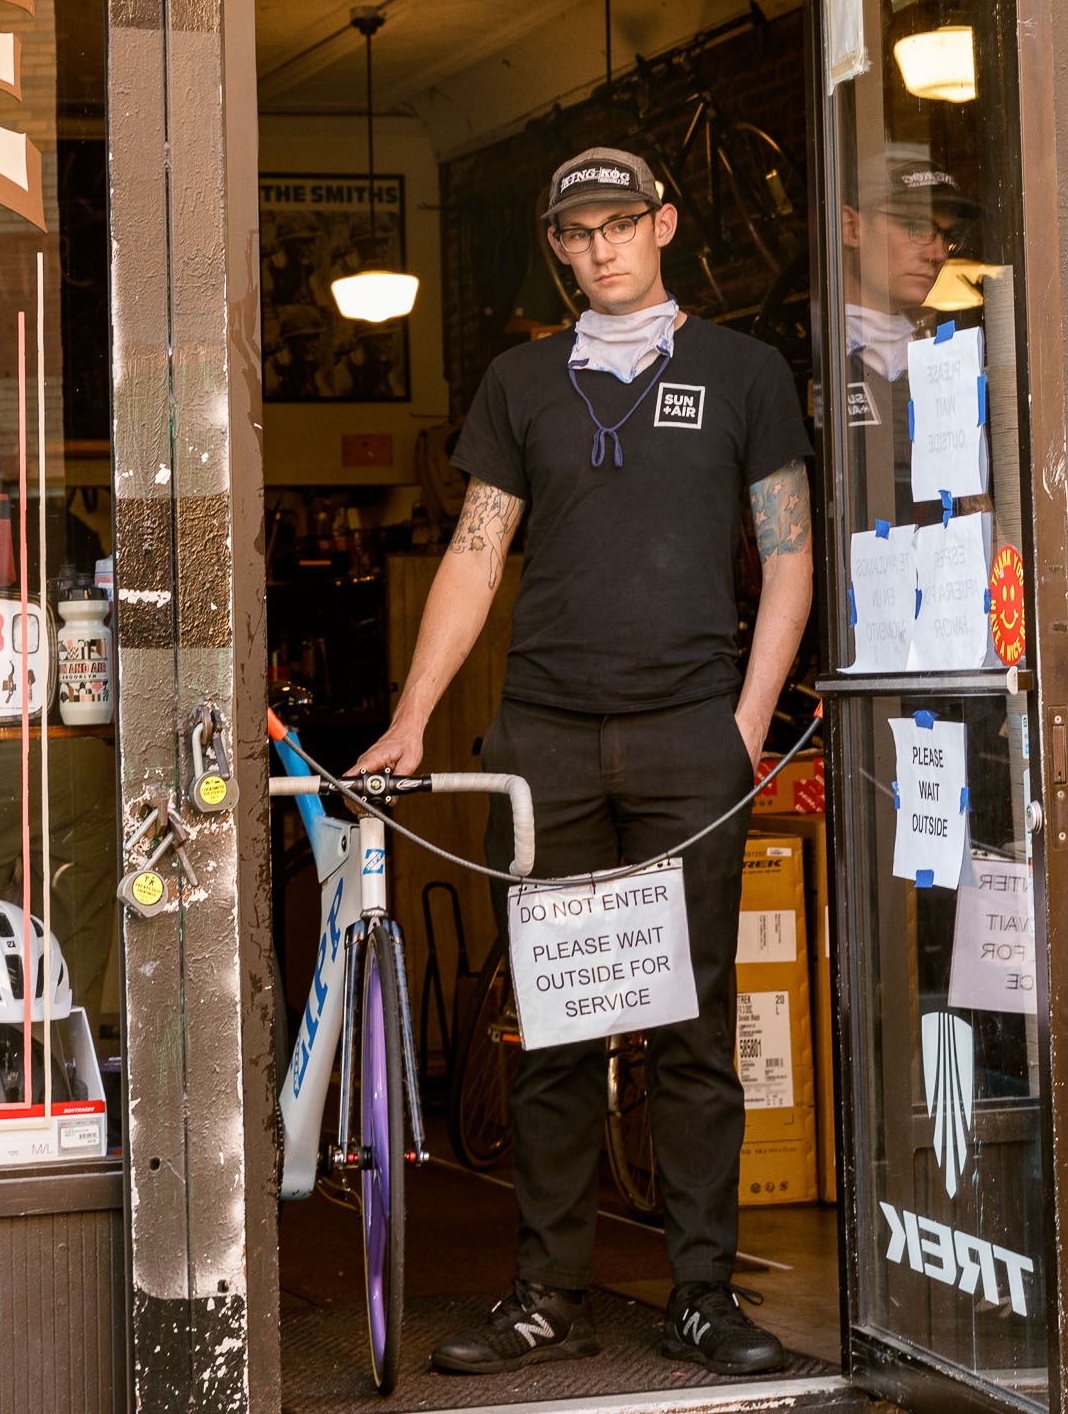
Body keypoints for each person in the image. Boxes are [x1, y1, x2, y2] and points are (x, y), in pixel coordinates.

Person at [351, 145, 812, 1379]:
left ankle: (704, 1293)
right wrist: (413, 712)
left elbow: (790, 553)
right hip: (544, 737)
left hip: (688, 734)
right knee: (553, 1025)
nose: (603, 247)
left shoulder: (743, 371)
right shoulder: (519, 381)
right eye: (578, 231)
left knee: (693, 1025)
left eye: (622, 223)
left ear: (664, 223)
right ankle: (547, 1291)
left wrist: (749, 718)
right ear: (556, 246)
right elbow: (474, 552)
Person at [838, 147, 977, 527]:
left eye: (947, 237)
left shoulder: (949, 360)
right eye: (917, 226)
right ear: (851, 227)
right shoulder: (812, 357)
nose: (937, 253)